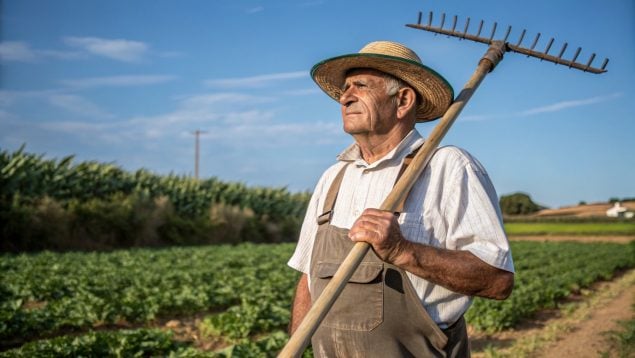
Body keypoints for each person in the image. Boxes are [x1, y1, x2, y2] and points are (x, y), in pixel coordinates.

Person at [287, 40, 514, 357]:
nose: (344, 96)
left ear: (403, 100)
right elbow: (308, 279)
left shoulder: (447, 168)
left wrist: (402, 250)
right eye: (345, 88)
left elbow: (498, 280)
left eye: (360, 86)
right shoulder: (333, 179)